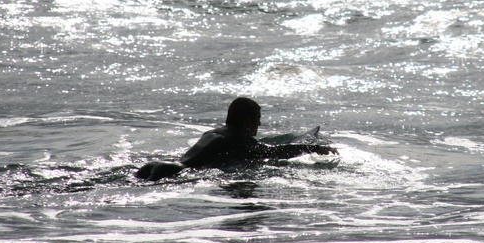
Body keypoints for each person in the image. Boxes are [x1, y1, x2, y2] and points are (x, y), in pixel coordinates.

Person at [135, 97, 337, 181]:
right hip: (172, 172)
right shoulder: (238, 139)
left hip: (157, 165)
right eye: (257, 120)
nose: (258, 126)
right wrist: (314, 149)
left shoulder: (215, 133)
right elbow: (272, 153)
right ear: (247, 120)